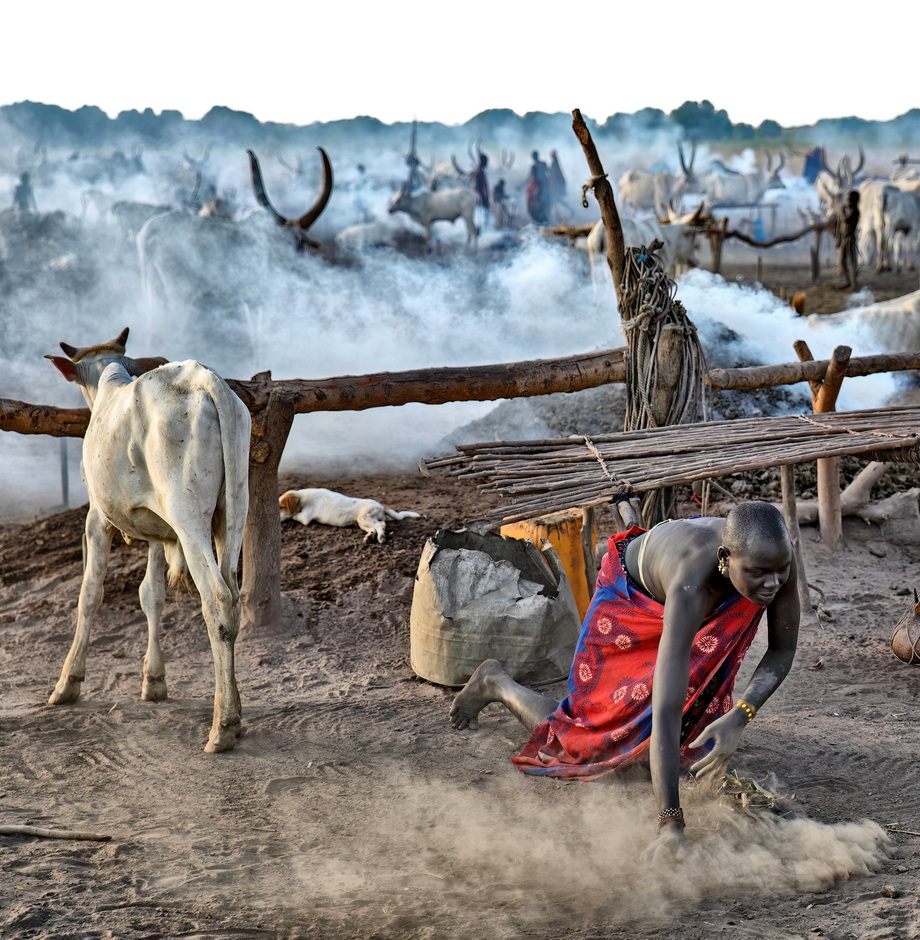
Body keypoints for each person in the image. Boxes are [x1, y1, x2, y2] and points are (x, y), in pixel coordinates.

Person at [450, 502, 799, 859]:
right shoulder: (693, 585)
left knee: (685, 751)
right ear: (726, 558)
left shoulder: (771, 557)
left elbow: (783, 650)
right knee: (588, 743)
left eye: (781, 571)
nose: (772, 583)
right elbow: (666, 708)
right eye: (758, 573)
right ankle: (496, 682)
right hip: (631, 601)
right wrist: (671, 824)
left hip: (687, 578)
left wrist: (741, 714)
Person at [834, 190, 860, 292]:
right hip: (844, 239)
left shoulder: (855, 212)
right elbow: (839, 224)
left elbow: (845, 220)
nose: (848, 200)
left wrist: (841, 211)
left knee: (852, 263)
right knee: (842, 262)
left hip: (850, 239)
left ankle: (854, 285)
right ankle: (848, 282)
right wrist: (838, 238)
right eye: (847, 199)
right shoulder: (846, 210)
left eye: (850, 199)